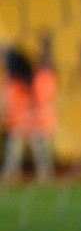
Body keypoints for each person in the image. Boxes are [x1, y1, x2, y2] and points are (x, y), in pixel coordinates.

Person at [2, 41, 58, 186]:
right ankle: (11, 175)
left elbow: (41, 100)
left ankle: (45, 175)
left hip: (34, 120)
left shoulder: (38, 79)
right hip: (20, 121)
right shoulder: (17, 82)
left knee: (39, 151)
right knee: (14, 151)